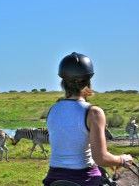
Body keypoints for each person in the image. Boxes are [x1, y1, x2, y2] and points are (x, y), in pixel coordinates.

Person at [42, 52, 133, 186]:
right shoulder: (93, 112)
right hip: (84, 180)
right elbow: (101, 158)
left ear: (63, 82)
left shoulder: (53, 110)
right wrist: (122, 159)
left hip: (53, 179)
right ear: (89, 81)